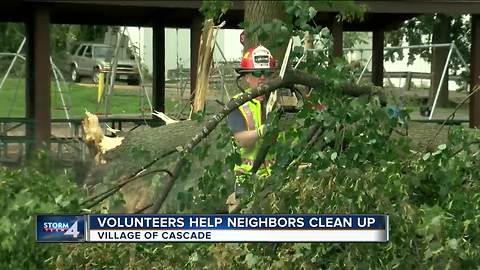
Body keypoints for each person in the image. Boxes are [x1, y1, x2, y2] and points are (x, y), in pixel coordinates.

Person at [225, 45, 277, 212]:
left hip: (277, 176)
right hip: (247, 178)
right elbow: (240, 139)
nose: (262, 77)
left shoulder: (280, 102)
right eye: (256, 73)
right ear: (247, 77)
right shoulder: (238, 104)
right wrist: (263, 131)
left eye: (266, 73)